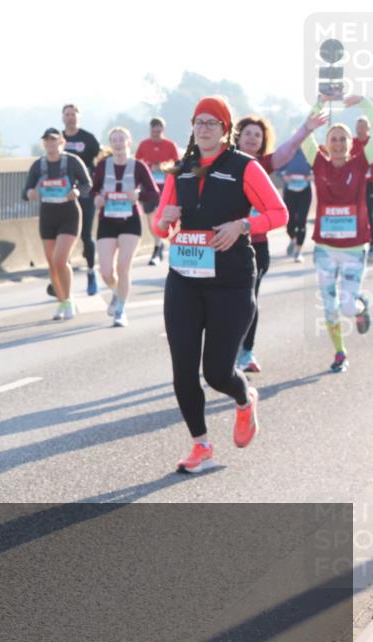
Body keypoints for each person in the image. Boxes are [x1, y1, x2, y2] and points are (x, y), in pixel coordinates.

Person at [153, 96, 287, 474]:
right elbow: (160, 229)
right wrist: (165, 219)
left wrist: (243, 225)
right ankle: (201, 445)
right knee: (182, 370)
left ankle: (244, 399)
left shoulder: (243, 166)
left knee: (216, 372)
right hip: (184, 279)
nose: (204, 128)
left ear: (226, 130)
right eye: (199, 121)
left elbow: (279, 213)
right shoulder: (179, 170)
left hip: (230, 281)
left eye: (213, 122)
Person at [231, 109, 327, 373]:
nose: (252, 138)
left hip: (255, 245)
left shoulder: (263, 165)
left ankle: (246, 352)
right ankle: (225, 350)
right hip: (225, 245)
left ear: (263, 142)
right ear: (237, 137)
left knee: (249, 298)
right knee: (224, 302)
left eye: (257, 135)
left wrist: (306, 129)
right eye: (247, 133)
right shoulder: (223, 164)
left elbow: (289, 148)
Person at [301, 95, 373, 372]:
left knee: (346, 307)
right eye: (334, 139)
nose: (339, 143)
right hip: (325, 250)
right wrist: (319, 104)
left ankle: (360, 303)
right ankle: (340, 353)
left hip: (355, 249)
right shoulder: (318, 164)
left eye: (344, 139)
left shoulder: (361, 163)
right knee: (330, 308)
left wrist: (364, 103)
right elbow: (306, 133)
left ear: (352, 143)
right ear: (327, 144)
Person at [91, 127, 160, 326]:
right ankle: (115, 291)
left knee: (123, 267)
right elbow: (93, 190)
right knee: (105, 271)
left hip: (130, 221)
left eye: (122, 139)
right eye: (114, 140)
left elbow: (154, 193)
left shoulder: (138, 166)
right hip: (107, 220)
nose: (118, 143)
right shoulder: (103, 166)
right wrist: (97, 199)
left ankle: (121, 309)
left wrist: (139, 196)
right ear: (111, 144)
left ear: (129, 143)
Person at [23, 127, 92, 320]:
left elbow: (87, 184)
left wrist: (77, 191)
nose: (50, 144)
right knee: (52, 264)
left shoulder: (72, 162)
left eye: (54, 141)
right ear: (43, 143)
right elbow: (26, 191)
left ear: (61, 142)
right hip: (47, 216)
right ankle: (61, 301)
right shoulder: (39, 165)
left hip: (69, 214)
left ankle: (69, 299)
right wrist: (30, 194)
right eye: (47, 141)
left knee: (60, 259)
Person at [62, 103, 102, 295]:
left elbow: (99, 161)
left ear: (79, 117)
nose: (70, 118)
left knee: (86, 235)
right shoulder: (58, 139)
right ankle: (62, 277)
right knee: (64, 236)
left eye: (73, 114)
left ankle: (91, 273)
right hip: (63, 195)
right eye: (67, 114)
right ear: (63, 118)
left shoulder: (88, 139)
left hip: (85, 192)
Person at [135, 117, 180, 265]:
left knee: (161, 214)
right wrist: (148, 165)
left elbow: (177, 164)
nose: (156, 135)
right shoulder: (144, 144)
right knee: (150, 218)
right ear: (150, 130)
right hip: (148, 187)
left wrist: (163, 166)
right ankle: (158, 243)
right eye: (154, 132)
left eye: (159, 132)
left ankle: (158, 247)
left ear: (163, 130)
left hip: (165, 187)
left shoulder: (170, 145)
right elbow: (137, 164)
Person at [279, 147, 313, 263]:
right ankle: (294, 240)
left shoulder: (310, 153)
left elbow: (318, 167)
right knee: (289, 222)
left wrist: (312, 176)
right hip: (290, 191)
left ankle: (298, 251)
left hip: (305, 191)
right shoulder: (288, 152)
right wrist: (284, 176)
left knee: (302, 221)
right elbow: (278, 167)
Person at [350, 115, 373, 253]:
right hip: (357, 185)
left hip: (371, 184)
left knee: (370, 213)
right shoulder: (351, 143)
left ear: (368, 128)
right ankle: (358, 241)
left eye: (363, 127)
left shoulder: (371, 143)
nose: (360, 130)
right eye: (358, 128)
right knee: (357, 213)